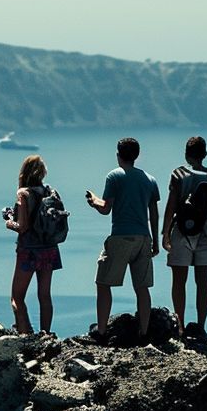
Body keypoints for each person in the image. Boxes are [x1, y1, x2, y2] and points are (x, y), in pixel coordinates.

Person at [84, 137, 160, 342]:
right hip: (143, 238)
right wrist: (155, 240)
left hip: (121, 237)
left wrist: (93, 201)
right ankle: (144, 333)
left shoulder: (114, 176)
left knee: (103, 283)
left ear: (118, 155)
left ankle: (101, 332)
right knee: (142, 288)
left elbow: (106, 209)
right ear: (137, 155)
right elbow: (154, 213)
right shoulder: (150, 180)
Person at [162, 135, 207, 338]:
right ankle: (200, 326)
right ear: (205, 154)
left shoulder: (178, 174)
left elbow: (171, 205)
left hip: (182, 232)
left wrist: (165, 234)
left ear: (186, 155)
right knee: (203, 281)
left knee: (179, 281)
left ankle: (179, 327)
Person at [4, 154, 60, 334]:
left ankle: (25, 332)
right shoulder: (50, 192)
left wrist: (9, 222)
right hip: (49, 249)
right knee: (44, 296)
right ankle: (46, 334)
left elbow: (23, 227)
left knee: (17, 297)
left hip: (29, 251)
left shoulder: (24, 193)